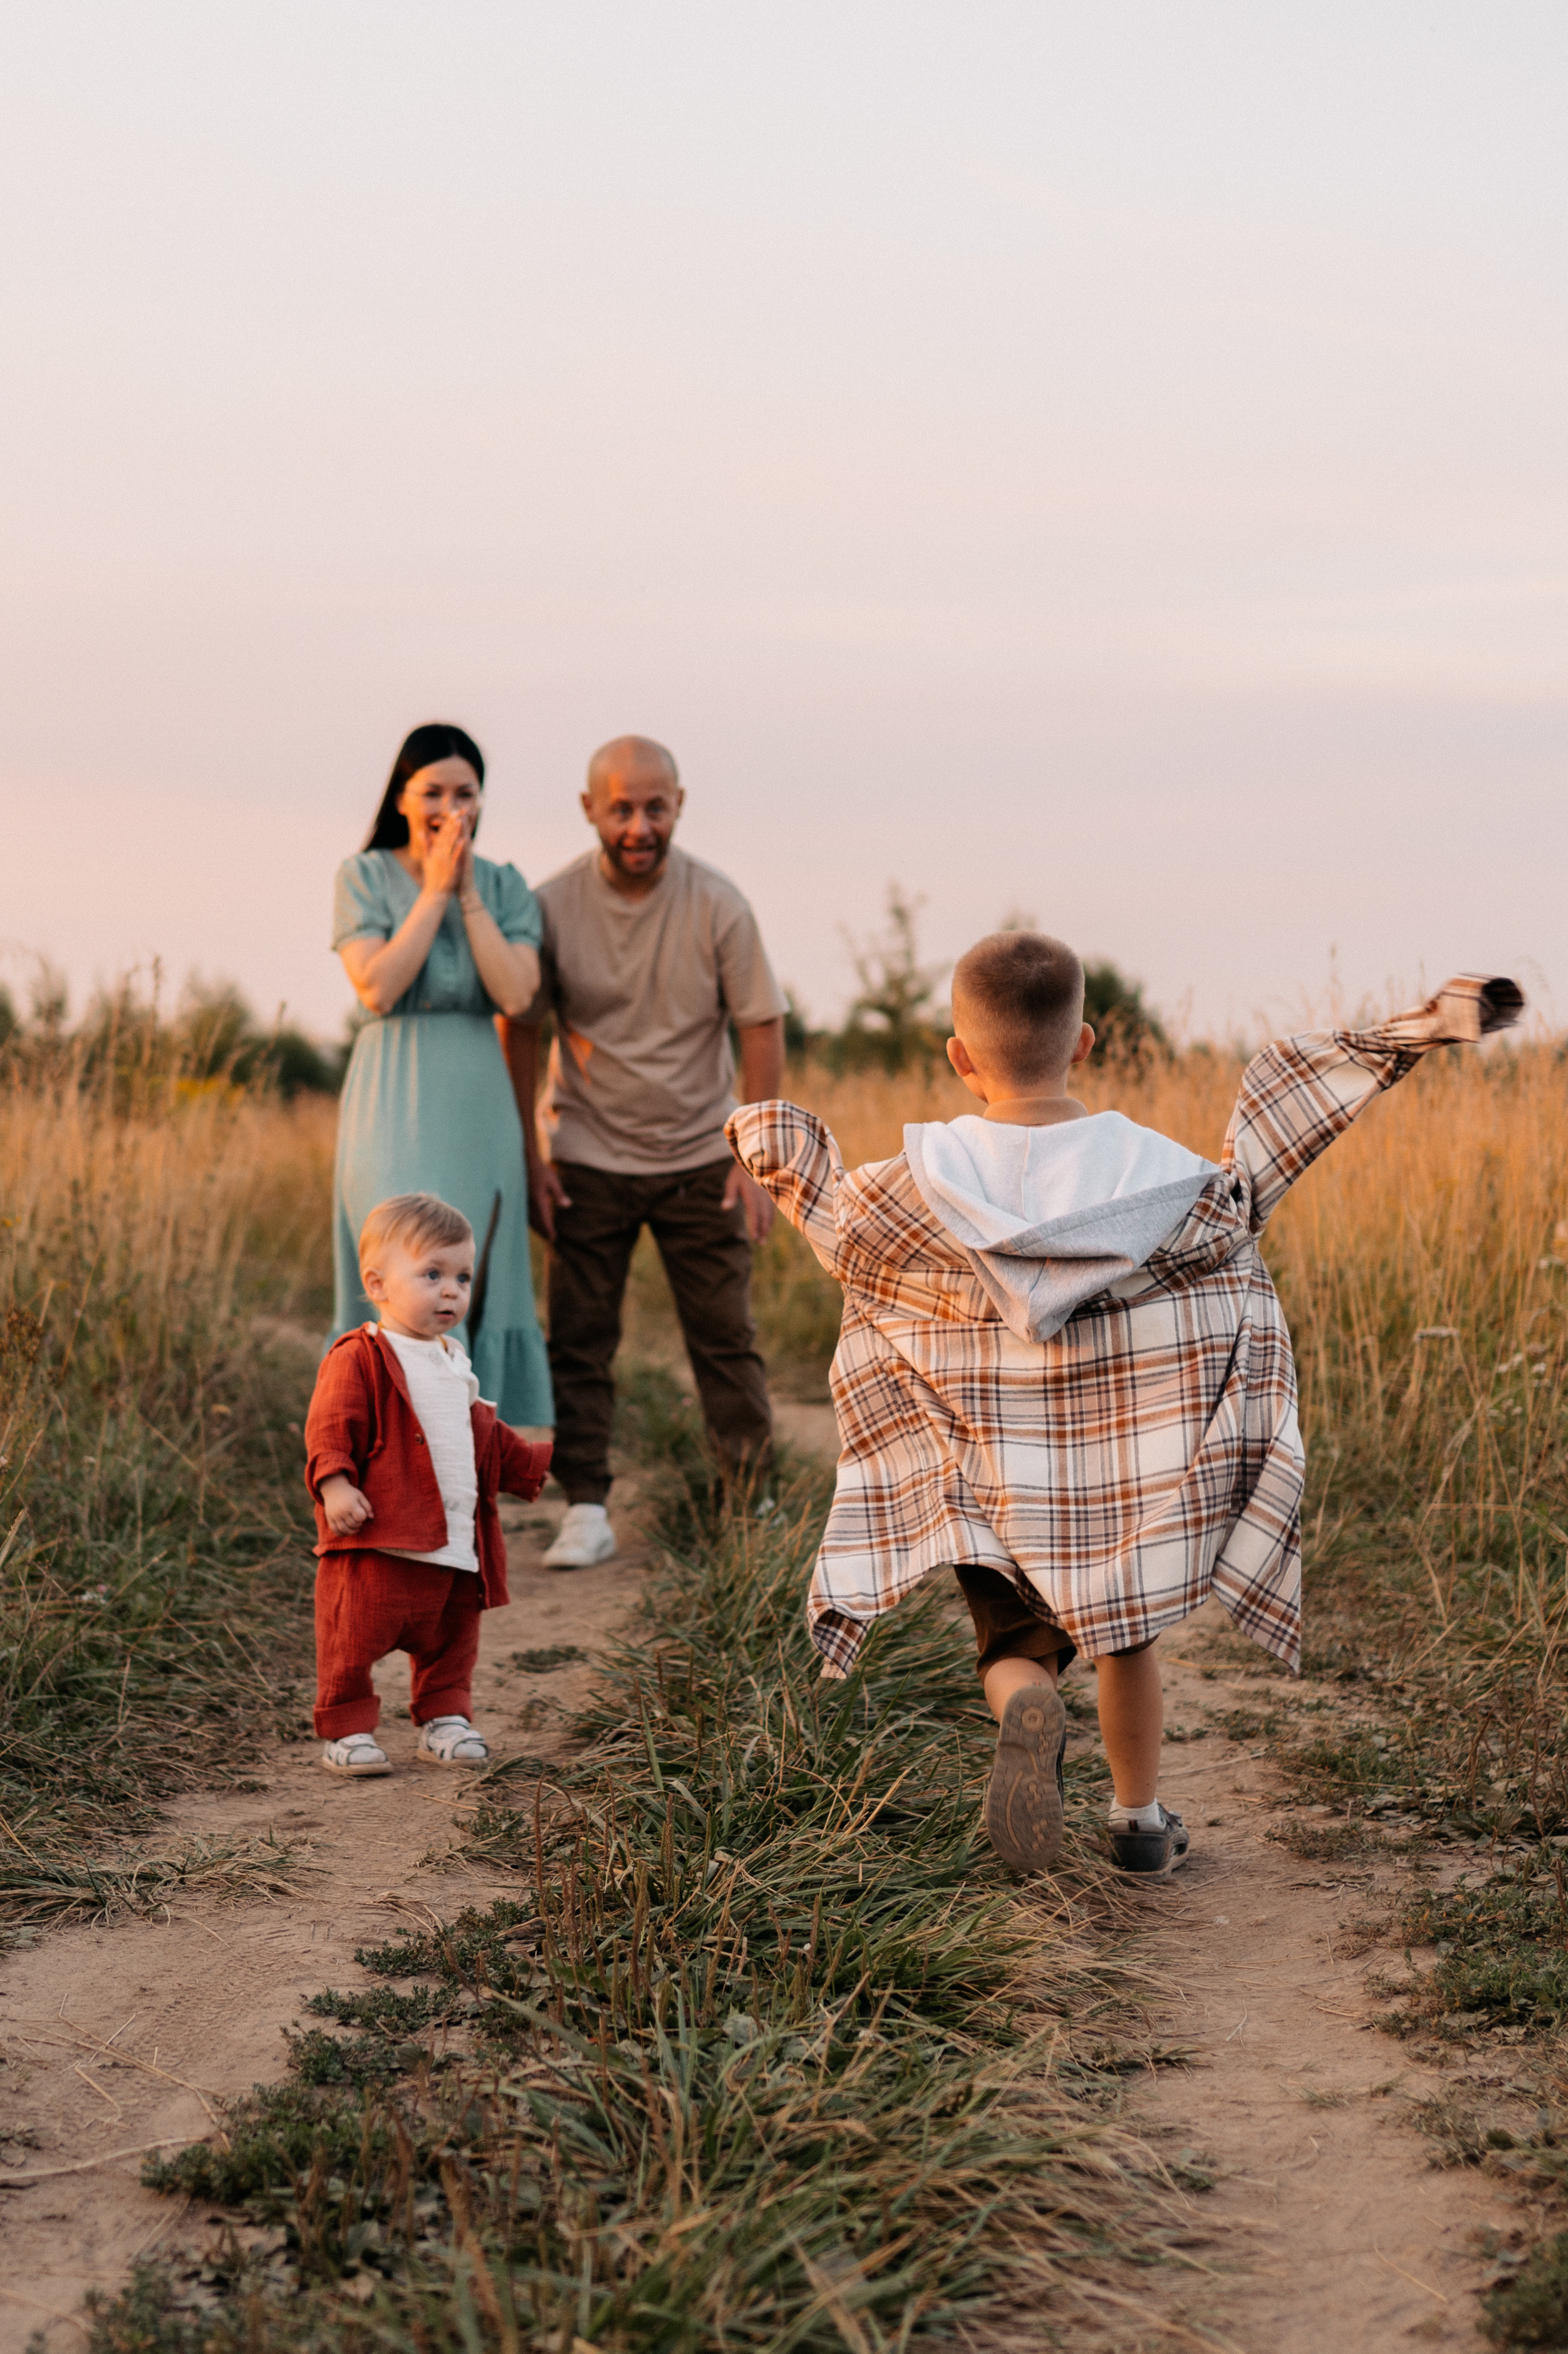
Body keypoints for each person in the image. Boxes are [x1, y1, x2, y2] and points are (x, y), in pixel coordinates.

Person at [728, 935, 1521, 1877]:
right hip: (1122, 1482)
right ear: (1086, 1042)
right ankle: (1138, 1820)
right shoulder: (1162, 1178)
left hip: (990, 1476)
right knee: (1122, 1637)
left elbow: (825, 1207)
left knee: (1010, 1641)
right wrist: (1418, 1032)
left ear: (958, 1057)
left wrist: (754, 1128)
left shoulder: (915, 1185)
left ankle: (1025, 1706)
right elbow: (1276, 1147)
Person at [502, 735, 787, 1569]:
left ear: (678, 806)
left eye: (654, 806)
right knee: (580, 1338)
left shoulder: (717, 903)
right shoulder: (549, 906)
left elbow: (760, 1024)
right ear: (590, 808)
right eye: (620, 807)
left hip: (703, 1152)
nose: (638, 824)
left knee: (724, 1334)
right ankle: (584, 1505)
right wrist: (529, 1156)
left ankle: (751, 1500)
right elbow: (518, 1032)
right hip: (587, 1152)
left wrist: (754, 1158)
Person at [330, 722, 552, 1426]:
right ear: (402, 798)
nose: (450, 807)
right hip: (391, 1094)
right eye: (433, 792)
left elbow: (516, 994)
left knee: (467, 1274)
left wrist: (467, 896)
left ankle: (469, 1460)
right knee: (402, 1262)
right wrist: (431, 890)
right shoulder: (362, 876)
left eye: (465, 793)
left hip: (479, 1100)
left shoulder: (505, 885)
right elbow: (378, 985)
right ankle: (383, 1451)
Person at [304, 1192, 552, 1777]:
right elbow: (330, 1421)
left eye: (463, 1276)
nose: (451, 1290)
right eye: (432, 1273)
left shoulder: (452, 1358)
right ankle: (347, 1728)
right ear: (378, 1282)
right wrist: (335, 1483)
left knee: (452, 1641)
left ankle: (444, 1719)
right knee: (351, 1638)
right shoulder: (361, 1355)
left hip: (453, 1544)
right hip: (379, 1540)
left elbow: (479, 1430)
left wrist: (531, 1465)